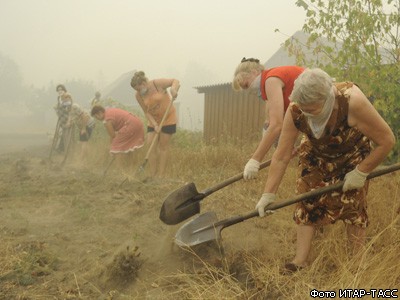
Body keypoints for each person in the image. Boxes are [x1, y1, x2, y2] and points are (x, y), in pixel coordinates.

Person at [255, 68, 395, 273]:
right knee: (306, 197)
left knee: (353, 204)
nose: (307, 113)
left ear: (328, 97)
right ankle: (300, 260)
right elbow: (282, 155)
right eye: (304, 109)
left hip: (351, 153)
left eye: (312, 109)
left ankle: (356, 263)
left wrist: (361, 171)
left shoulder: (351, 101)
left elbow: (387, 141)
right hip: (316, 155)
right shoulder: (296, 110)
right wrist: (268, 194)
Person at [232, 58, 304, 180]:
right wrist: (287, 146)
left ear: (254, 72)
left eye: (246, 85)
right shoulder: (269, 86)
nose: (248, 90)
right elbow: (273, 122)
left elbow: (276, 125)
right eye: (245, 89)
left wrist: (255, 160)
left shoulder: (270, 80)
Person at [130, 71, 179, 179]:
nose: (138, 91)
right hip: (153, 120)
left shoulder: (157, 84)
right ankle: (153, 174)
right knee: (150, 145)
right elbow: (146, 112)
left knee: (163, 146)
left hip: (168, 118)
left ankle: (161, 175)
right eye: (136, 90)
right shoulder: (138, 95)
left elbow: (175, 81)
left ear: (143, 82)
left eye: (139, 88)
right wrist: (155, 124)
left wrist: (173, 90)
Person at [54, 84, 73, 152]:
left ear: (64, 90)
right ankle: (62, 148)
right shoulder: (59, 98)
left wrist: (69, 120)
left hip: (67, 117)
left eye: (61, 89)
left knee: (66, 134)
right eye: (58, 90)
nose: (60, 91)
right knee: (63, 133)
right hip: (61, 117)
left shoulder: (67, 96)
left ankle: (67, 150)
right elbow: (59, 106)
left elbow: (69, 107)